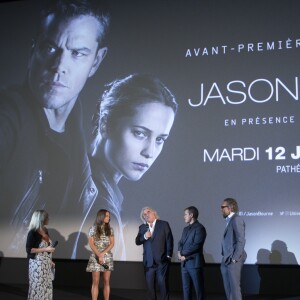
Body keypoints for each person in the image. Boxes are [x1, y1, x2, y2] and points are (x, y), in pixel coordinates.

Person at [0, 0, 110, 257]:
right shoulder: (8, 118)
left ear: (96, 61)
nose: (59, 65)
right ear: (34, 49)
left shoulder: (82, 147)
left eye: (78, 53)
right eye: (50, 47)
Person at [76, 73, 178, 260]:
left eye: (160, 139)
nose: (150, 151)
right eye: (140, 133)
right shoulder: (98, 202)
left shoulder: (97, 187)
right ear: (105, 124)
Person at [135, 206, 174, 300]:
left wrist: (168, 256)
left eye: (148, 212)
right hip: (148, 263)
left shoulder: (164, 224)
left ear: (154, 213)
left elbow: (169, 240)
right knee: (150, 288)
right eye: (144, 214)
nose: (146, 215)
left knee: (163, 285)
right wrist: (144, 236)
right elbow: (137, 241)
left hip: (162, 262)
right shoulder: (142, 227)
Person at [178, 206, 207, 300]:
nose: (184, 216)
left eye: (185, 214)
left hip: (194, 264)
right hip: (184, 264)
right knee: (186, 289)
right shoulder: (185, 229)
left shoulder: (200, 228)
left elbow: (196, 245)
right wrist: (179, 252)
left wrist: (183, 254)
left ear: (191, 215)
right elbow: (180, 242)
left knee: (199, 290)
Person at [26, 210, 56, 300]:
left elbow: (47, 248)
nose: (48, 219)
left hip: (46, 264)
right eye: (47, 217)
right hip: (37, 264)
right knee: (38, 287)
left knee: (47, 286)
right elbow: (29, 249)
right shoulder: (32, 232)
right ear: (41, 219)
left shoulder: (45, 230)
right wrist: (45, 249)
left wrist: (50, 260)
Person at [220, 198, 247, 300]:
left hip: (233, 259)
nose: (221, 209)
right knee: (228, 288)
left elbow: (241, 240)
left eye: (223, 207)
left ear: (230, 208)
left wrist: (235, 258)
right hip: (226, 258)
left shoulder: (236, 219)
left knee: (234, 288)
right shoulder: (229, 220)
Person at [86, 209, 114, 300]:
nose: (108, 218)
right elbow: (91, 244)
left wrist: (102, 254)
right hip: (95, 256)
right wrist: (99, 255)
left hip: (107, 257)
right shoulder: (93, 229)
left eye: (109, 216)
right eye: (106, 216)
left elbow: (112, 243)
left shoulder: (110, 229)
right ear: (101, 217)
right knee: (95, 282)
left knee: (106, 281)